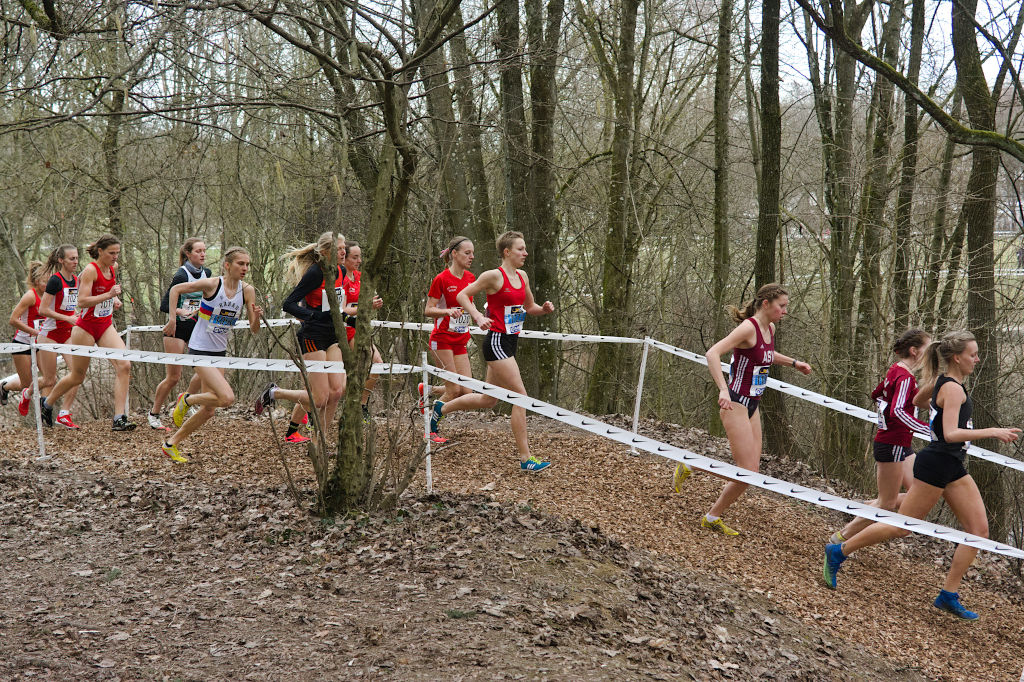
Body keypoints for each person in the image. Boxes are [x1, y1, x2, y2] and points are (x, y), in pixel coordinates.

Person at [823, 331, 1020, 621]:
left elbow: (917, 398)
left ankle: (948, 595)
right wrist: (992, 431)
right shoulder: (952, 388)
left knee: (978, 532)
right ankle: (839, 550)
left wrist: (936, 408)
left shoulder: (942, 382)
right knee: (902, 526)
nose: (977, 359)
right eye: (973, 354)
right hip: (938, 463)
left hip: (952, 464)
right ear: (957, 357)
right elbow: (951, 433)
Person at [675, 283, 811, 535]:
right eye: (782, 306)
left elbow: (766, 355)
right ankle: (691, 464)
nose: (785, 312)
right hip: (735, 402)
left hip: (753, 405)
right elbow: (712, 353)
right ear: (766, 304)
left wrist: (794, 363)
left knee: (752, 473)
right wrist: (723, 389)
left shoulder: (768, 328)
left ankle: (712, 517)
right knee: (746, 470)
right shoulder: (748, 327)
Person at [429, 231, 555, 472]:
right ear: (507, 252)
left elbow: (529, 307)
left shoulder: (523, 276)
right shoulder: (492, 276)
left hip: (510, 341)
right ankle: (526, 459)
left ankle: (440, 409)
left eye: (525, 248)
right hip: (496, 342)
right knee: (521, 397)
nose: (525, 253)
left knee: (489, 400)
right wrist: (477, 316)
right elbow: (461, 295)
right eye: (520, 249)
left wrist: (544, 309)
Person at [828, 329, 931, 545]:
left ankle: (865, 506)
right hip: (892, 443)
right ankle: (841, 537)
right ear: (913, 351)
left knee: (919, 494)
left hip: (902, 444)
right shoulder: (904, 377)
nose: (929, 355)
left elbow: (877, 395)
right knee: (887, 503)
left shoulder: (895, 370)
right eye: (926, 350)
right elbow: (898, 412)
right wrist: (928, 430)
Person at [160, 246, 263, 463]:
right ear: (228, 265)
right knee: (227, 398)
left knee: (208, 410)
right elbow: (176, 290)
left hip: (219, 351)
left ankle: (171, 444)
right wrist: (172, 319)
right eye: (240, 264)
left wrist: (257, 318)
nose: (245, 268)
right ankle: (187, 399)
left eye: (247, 264)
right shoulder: (212, 284)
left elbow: (254, 330)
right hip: (199, 349)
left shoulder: (247, 291)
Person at [255, 232, 347, 441]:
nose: (343, 252)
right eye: (339, 248)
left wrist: (347, 319)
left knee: (336, 393)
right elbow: (288, 304)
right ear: (325, 252)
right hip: (313, 335)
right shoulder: (315, 273)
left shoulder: (341, 271)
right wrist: (312, 316)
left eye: (344, 248)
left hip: (333, 334)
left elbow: (339, 306)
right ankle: (275, 393)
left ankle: (318, 443)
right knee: (320, 397)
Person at [40, 235, 136, 431]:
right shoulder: (91, 270)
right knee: (77, 376)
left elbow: (104, 295)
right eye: (111, 253)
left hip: (105, 325)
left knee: (124, 365)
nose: (115, 257)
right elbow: (82, 301)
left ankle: (119, 418)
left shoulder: (112, 268)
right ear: (100, 252)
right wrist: (108, 296)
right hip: (85, 328)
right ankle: (48, 403)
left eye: (117, 253)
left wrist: (112, 302)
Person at [147, 238, 211, 430]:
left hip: (197, 328)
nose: (202, 254)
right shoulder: (181, 276)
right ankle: (154, 414)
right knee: (173, 377)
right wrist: (179, 313)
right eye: (198, 251)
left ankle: (185, 401)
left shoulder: (207, 273)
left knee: (206, 369)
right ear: (188, 254)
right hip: (177, 329)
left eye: (204, 251)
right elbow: (164, 305)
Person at [422, 236, 476, 442]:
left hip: (460, 339)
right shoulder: (441, 279)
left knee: (466, 390)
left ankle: (428, 389)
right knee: (454, 390)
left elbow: (470, 307)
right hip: (441, 339)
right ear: (454, 254)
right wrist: (447, 312)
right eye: (467, 253)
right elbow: (428, 310)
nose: (471, 257)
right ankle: (431, 428)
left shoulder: (471, 278)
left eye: (472, 253)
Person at [35, 244, 83, 428]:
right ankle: (27, 392)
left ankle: (64, 413)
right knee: (49, 379)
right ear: (61, 260)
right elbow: (43, 309)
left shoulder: (77, 281)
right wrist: (68, 318)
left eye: (77, 258)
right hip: (49, 335)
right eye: (71, 259)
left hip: (67, 334)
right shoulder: (55, 281)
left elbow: (72, 304)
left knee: (77, 374)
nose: (75, 262)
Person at [341, 241, 384, 423]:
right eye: (355, 257)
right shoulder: (339, 277)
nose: (359, 260)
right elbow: (340, 309)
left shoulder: (359, 277)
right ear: (345, 258)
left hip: (358, 329)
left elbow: (362, 304)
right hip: (340, 330)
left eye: (360, 257)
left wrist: (373, 303)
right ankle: (312, 408)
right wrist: (365, 305)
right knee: (339, 377)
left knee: (377, 364)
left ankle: (361, 405)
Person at [2, 262, 48, 416]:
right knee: (26, 384)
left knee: (49, 378)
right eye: (44, 282)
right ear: (36, 282)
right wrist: (34, 331)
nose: (47, 285)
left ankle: (43, 406)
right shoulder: (30, 296)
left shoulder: (50, 296)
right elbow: (13, 319)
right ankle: (4, 387)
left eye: (50, 281)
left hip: (40, 344)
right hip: (22, 344)